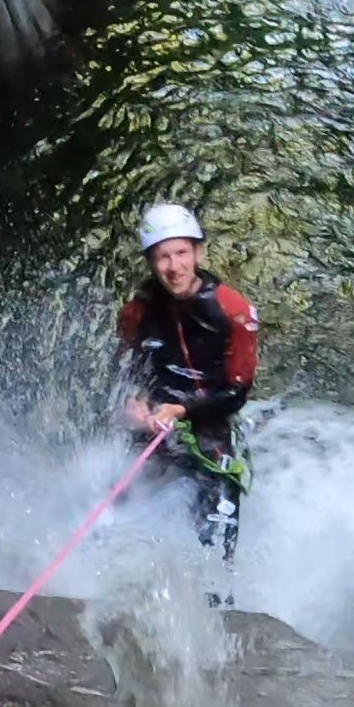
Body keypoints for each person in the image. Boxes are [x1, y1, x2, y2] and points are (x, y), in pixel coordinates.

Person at [116, 203, 259, 567]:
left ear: (198, 252)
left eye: (181, 253)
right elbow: (127, 371)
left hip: (209, 424)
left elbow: (237, 393)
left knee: (216, 529)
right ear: (151, 262)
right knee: (121, 513)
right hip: (157, 425)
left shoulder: (232, 309)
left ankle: (218, 597)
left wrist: (182, 409)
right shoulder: (136, 313)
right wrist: (135, 403)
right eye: (163, 257)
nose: (173, 266)